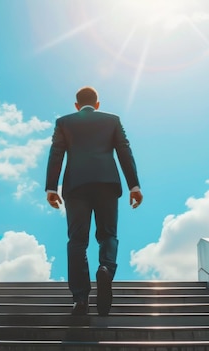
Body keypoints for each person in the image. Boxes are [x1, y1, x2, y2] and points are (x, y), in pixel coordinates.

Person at [45, 86, 143, 316]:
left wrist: (51, 187)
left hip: (76, 186)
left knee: (77, 240)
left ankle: (80, 299)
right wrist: (134, 186)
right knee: (108, 234)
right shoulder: (112, 121)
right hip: (107, 184)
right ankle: (106, 269)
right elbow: (124, 152)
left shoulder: (64, 122)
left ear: (76, 106)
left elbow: (56, 153)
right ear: (97, 104)